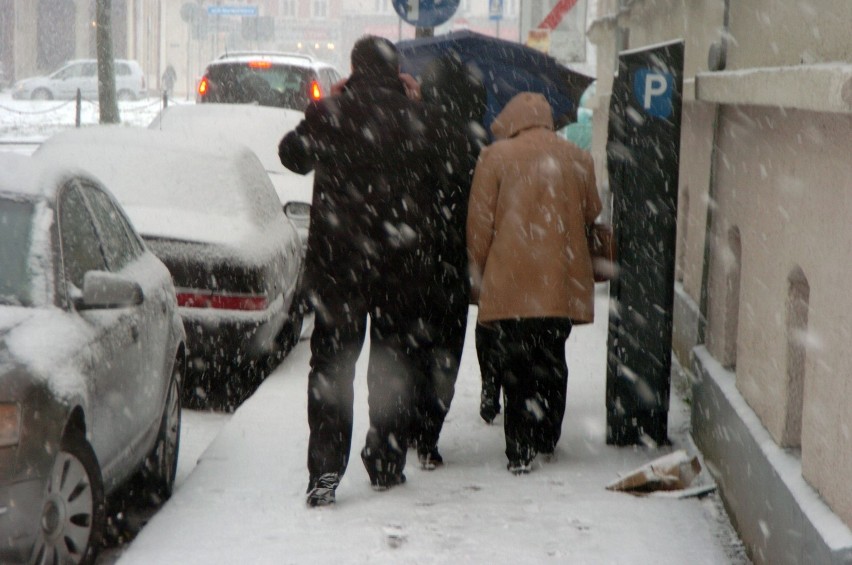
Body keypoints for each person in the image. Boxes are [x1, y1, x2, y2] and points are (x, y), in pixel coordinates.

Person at [278, 35, 443, 506]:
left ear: (353, 70)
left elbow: (292, 155)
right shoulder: (420, 118)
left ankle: (325, 474)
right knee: (394, 365)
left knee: (332, 367)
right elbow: (446, 174)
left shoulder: (331, 114)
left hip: (339, 267)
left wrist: (331, 104)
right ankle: (386, 464)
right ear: (396, 72)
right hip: (401, 265)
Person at [467, 91, 602, 474]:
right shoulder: (577, 157)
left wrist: (477, 268)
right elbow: (592, 210)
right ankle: (546, 435)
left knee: (516, 364)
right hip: (559, 276)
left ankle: (519, 448)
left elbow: (479, 223)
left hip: (511, 279)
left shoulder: (494, 157)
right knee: (552, 357)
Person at [409, 53, 488, 470]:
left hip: (411, 257)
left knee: (410, 347)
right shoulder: (479, 140)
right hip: (454, 263)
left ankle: (404, 427)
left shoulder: (412, 127)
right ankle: (428, 435)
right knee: (445, 352)